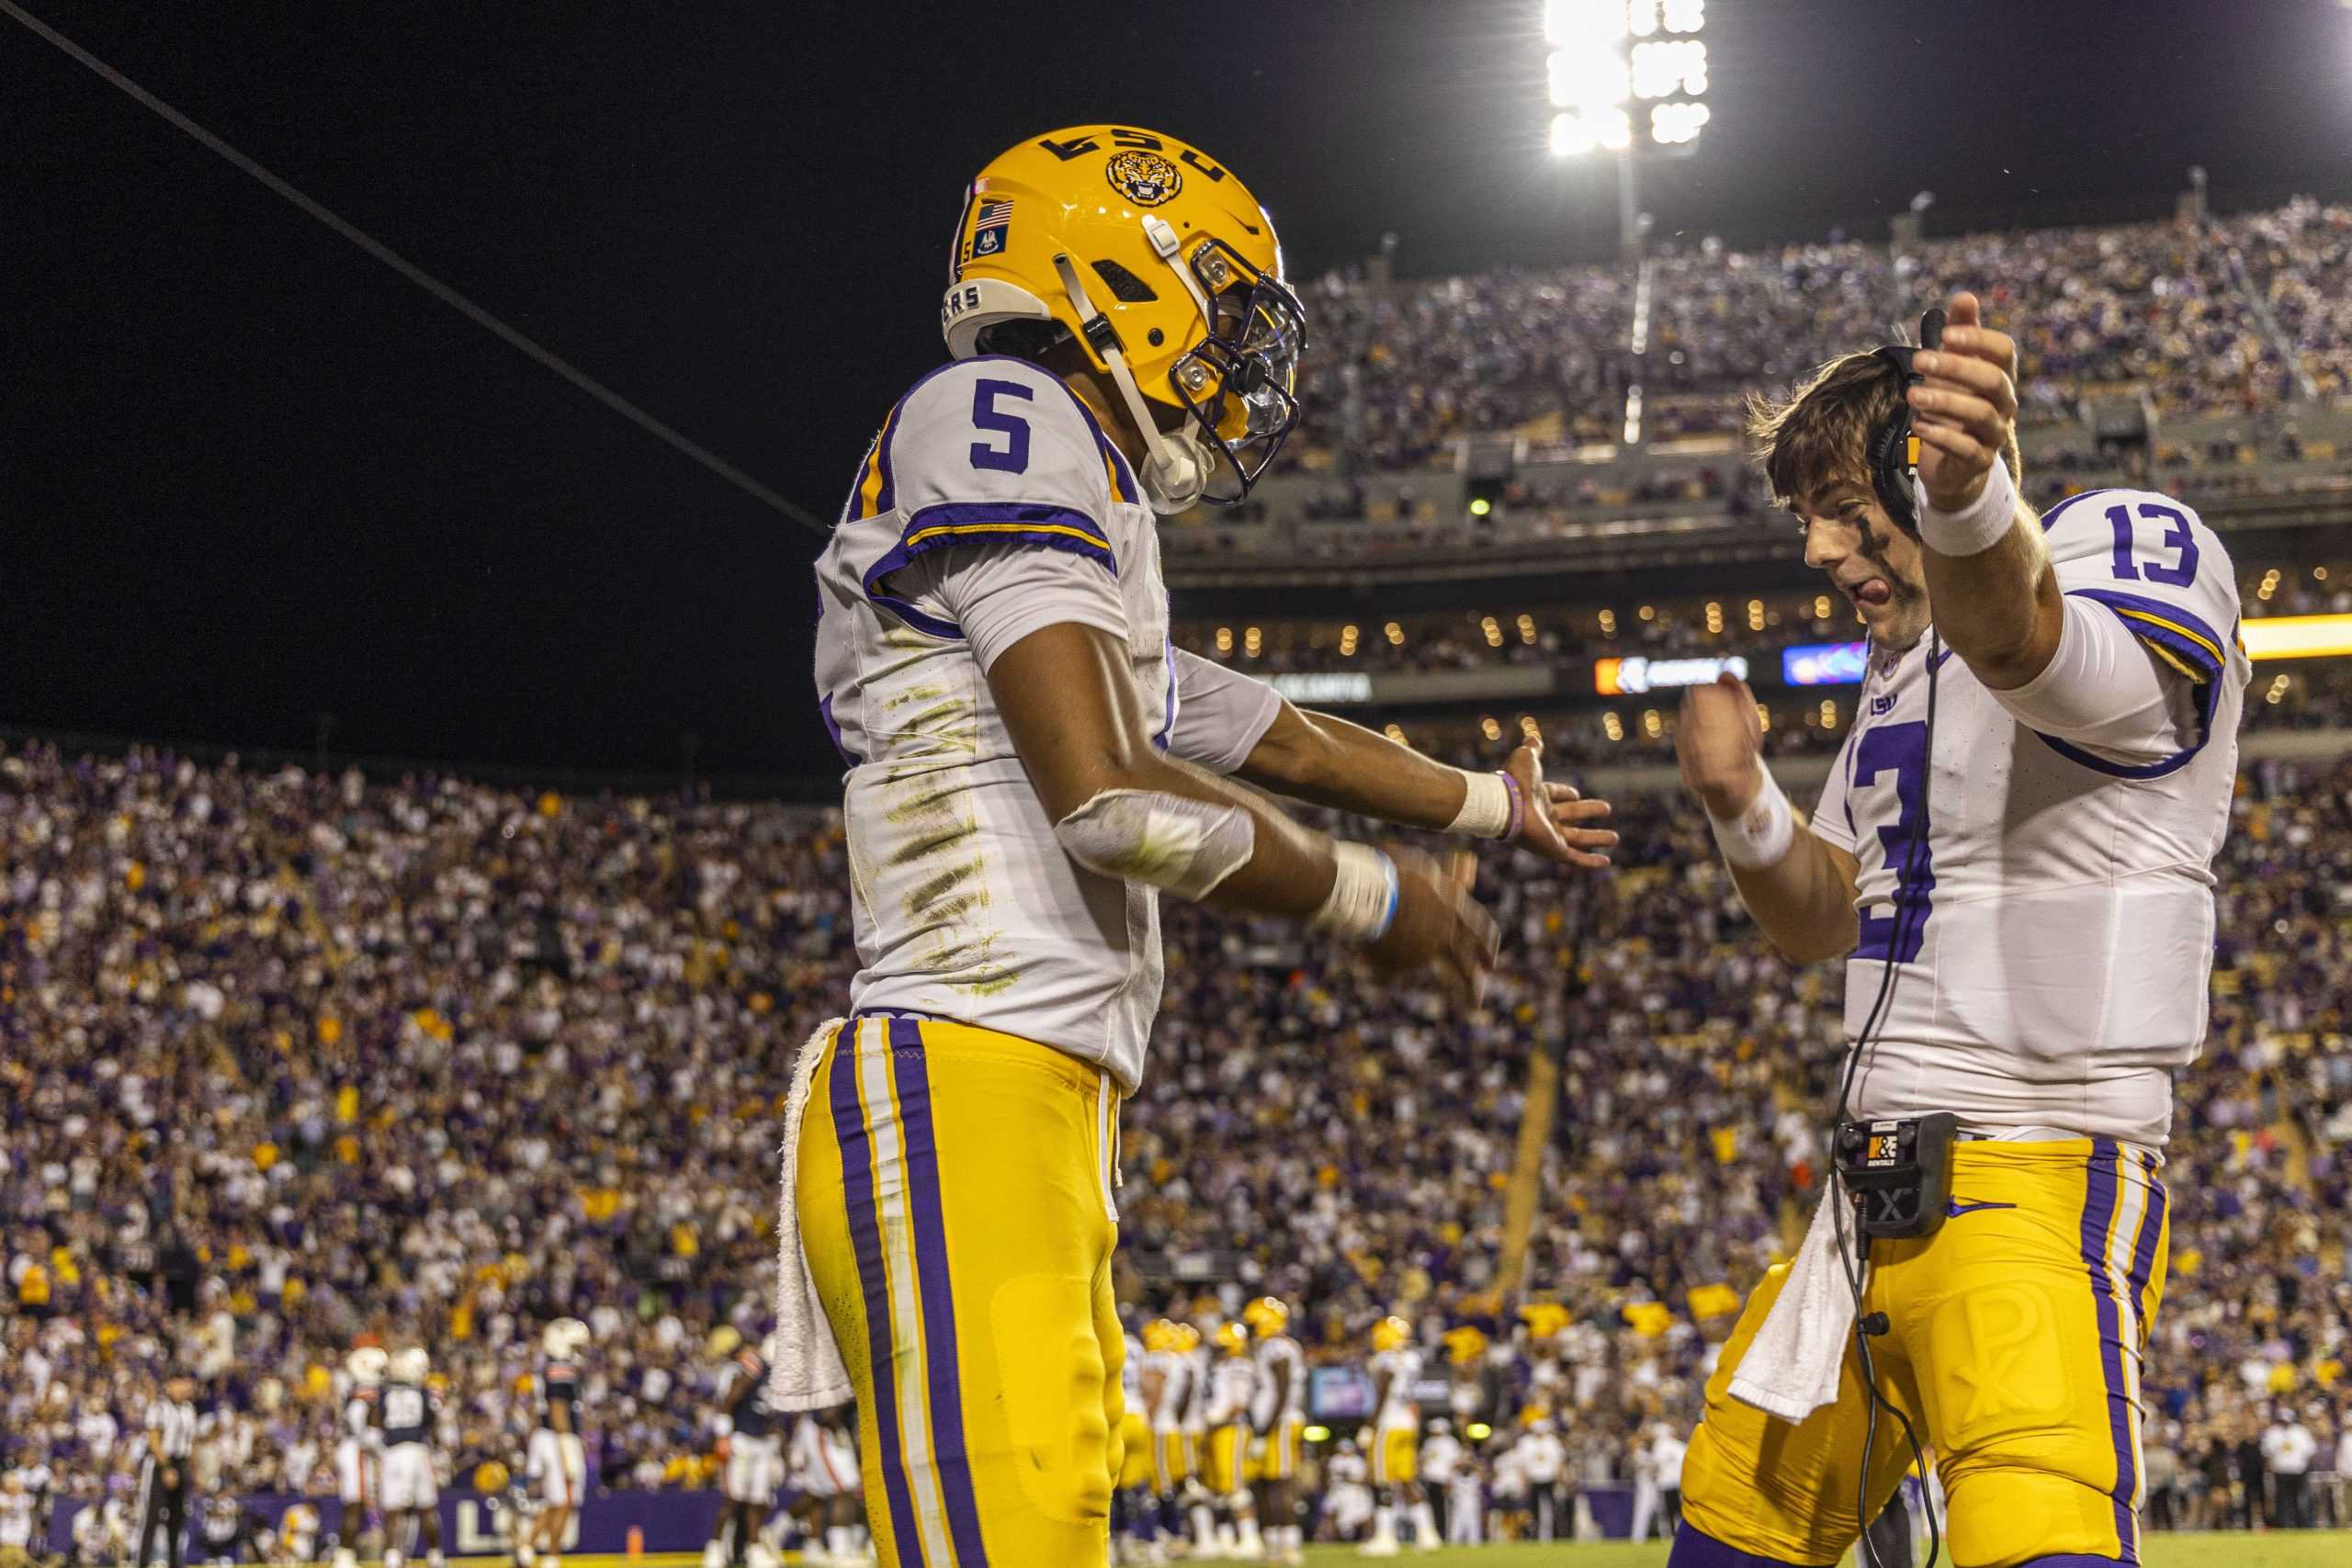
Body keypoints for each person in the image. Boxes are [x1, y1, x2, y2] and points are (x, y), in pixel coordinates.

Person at [783, 121, 1614, 1568]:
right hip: (962, 1069)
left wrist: (1487, 804)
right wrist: (1376, 896)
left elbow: (1263, 729)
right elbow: (1108, 789)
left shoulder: (1076, 491)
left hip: (1036, 1089)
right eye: (1223, 304)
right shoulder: (1004, 408)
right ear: (1120, 270)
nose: (1242, 355)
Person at [1667, 292, 2252, 1566]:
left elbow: (2037, 649)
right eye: (1803, 518)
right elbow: (1824, 917)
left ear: (1915, 471)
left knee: (2040, 1527)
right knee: (1725, 1529)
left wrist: (1970, 498)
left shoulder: (2122, 545)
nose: (1817, 549)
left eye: (1837, 502)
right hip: (1863, 1206)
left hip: (2035, 1178)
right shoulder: (1896, 672)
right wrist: (1743, 807)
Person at [705, 1331, 783, 1568]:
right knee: (733, 1499)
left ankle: (754, 1550)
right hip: (741, 1439)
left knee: (757, 1500)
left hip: (761, 1441)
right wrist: (723, 1435)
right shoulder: (756, 1363)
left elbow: (767, 1411)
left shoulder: (776, 1373)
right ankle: (715, 1551)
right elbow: (731, 1398)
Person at [1359, 1315, 1435, 1555]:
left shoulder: (1386, 1359)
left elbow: (1383, 1392)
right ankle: (1427, 1534)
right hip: (1407, 1423)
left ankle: (1385, 1537)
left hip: (1388, 1424)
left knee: (1381, 1480)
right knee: (1407, 1479)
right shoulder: (1412, 1359)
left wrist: (1369, 1426)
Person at [521, 1319, 590, 1568]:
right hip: (557, 1436)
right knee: (564, 1501)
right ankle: (551, 1556)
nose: (578, 1352)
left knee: (556, 1501)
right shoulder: (560, 1367)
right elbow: (558, 1408)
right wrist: (566, 1444)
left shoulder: (548, 1366)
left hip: (546, 1435)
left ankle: (528, 1549)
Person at [1244, 1298, 1307, 1565]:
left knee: (1280, 1483)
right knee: (1265, 1484)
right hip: (1274, 1422)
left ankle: (1289, 1546)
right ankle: (1273, 1544)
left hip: (1278, 1423)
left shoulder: (1277, 1347)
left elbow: (1281, 1392)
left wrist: (1263, 1430)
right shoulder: (1277, 1346)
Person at [376, 1348, 444, 1568]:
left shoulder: (385, 1392)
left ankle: (393, 1558)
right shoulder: (423, 1391)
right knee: (427, 1506)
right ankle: (436, 1557)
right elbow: (431, 1421)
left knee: (393, 1508)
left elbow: (378, 1421)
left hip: (395, 1451)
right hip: (418, 1450)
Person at [1201, 1324, 1264, 1560]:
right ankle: (1226, 1538)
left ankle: (1250, 1538)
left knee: (1235, 1485)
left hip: (1232, 1428)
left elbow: (1240, 1401)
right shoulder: (1222, 1365)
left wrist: (1217, 1418)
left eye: (1223, 1345)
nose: (1219, 1350)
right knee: (1218, 1486)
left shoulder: (1240, 1365)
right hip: (1218, 1429)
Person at [134, 1372, 198, 1568]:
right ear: (171, 1384)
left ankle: (174, 1563)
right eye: (181, 1383)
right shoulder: (159, 1406)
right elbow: (154, 1440)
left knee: (177, 1518)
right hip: (159, 1463)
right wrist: (167, 1467)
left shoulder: (189, 1409)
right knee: (152, 1517)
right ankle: (142, 1563)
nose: (185, 1388)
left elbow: (190, 1442)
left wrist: (192, 1470)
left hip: (180, 1462)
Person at [2260, 1404, 2317, 1528]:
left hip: (2298, 1471)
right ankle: (2284, 1524)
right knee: (2283, 1500)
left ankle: (2303, 1524)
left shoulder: (2301, 1432)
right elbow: (2266, 1453)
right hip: (2280, 1472)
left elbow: (2311, 1451)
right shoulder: (2273, 1433)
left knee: (2301, 1499)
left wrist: (2305, 1466)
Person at [1514, 1417, 1567, 1541]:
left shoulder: (1552, 1441)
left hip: (1550, 1479)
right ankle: (1534, 1535)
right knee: (1533, 1510)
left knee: (1554, 1509)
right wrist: (1523, 1481)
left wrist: (1560, 1480)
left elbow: (1559, 1462)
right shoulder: (1525, 1442)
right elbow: (1521, 1463)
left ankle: (1556, 1535)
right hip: (1533, 1480)